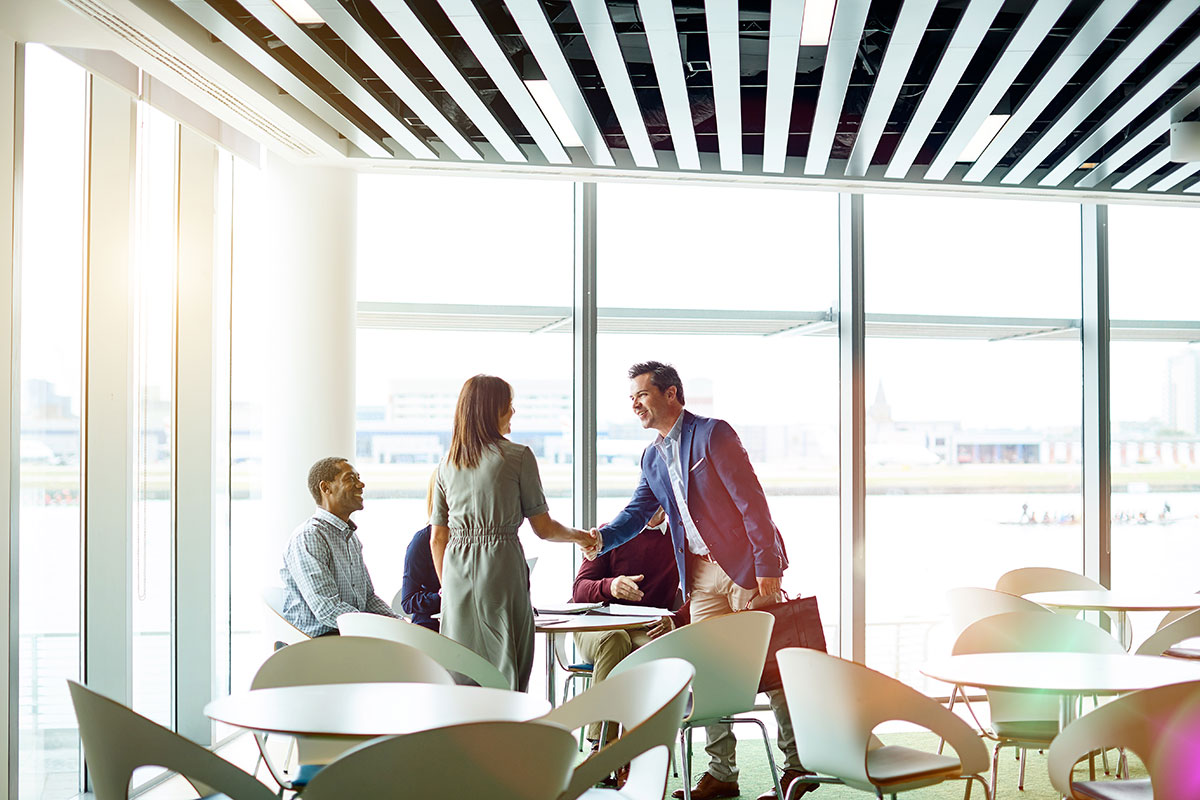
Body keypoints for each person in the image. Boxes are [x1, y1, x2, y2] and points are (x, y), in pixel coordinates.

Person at [585, 361, 816, 800]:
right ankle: (722, 774)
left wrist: (768, 566)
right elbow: (637, 513)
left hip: (744, 566)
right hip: (701, 574)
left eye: (642, 394)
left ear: (671, 394)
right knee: (708, 670)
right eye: (631, 397)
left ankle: (796, 767)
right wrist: (598, 540)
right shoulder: (652, 456)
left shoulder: (713, 434)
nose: (634, 404)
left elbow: (752, 503)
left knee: (773, 667)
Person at [431, 374, 596, 692]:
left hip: (455, 574)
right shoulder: (519, 456)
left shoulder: (446, 464)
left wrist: (447, 588)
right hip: (500, 566)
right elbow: (544, 529)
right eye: (509, 405)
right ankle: (509, 732)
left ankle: (465, 734)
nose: (513, 412)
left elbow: (438, 538)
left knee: (462, 666)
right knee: (508, 657)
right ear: (493, 409)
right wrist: (581, 537)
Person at [571, 507, 689, 747]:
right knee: (615, 639)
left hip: (642, 630)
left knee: (651, 652)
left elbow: (699, 593)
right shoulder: (611, 533)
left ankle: (635, 750)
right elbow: (579, 590)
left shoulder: (680, 539)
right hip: (596, 628)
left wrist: (675, 619)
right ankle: (603, 746)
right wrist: (610, 586)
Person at [280, 457, 398, 637]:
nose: (361, 484)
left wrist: (400, 625)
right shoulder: (310, 537)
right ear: (326, 488)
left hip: (347, 636)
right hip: (319, 644)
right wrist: (376, 630)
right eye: (351, 479)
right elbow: (327, 609)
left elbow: (368, 599)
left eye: (358, 478)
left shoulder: (350, 538)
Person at [400, 472, 442, 631]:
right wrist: (440, 597)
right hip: (430, 629)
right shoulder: (422, 541)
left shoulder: (473, 539)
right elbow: (408, 601)